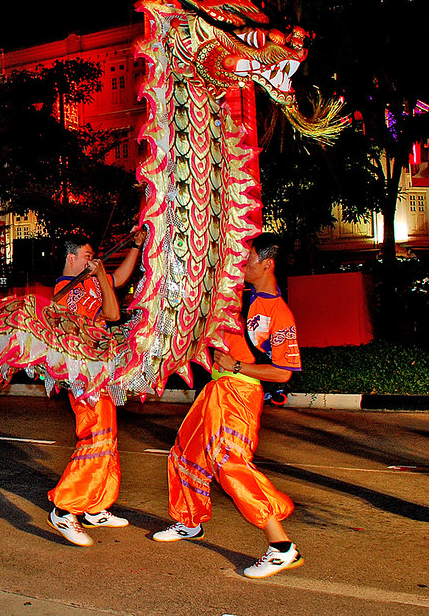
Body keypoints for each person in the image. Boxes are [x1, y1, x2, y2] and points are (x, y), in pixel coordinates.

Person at [153, 234, 303, 579]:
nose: (243, 263)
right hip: (216, 389)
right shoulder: (239, 298)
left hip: (240, 393)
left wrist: (238, 367)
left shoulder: (278, 313)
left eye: (249, 258)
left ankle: (281, 546)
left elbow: (282, 372)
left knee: (228, 459)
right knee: (185, 453)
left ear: (267, 264)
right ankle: (188, 521)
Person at [47, 231, 144, 547]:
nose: (93, 262)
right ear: (71, 257)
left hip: (102, 370)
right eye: (88, 257)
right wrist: (101, 276)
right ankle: (65, 508)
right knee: (95, 439)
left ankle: (96, 505)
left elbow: (118, 278)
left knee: (109, 438)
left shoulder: (88, 282)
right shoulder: (67, 290)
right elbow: (113, 313)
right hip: (85, 375)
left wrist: (136, 246)